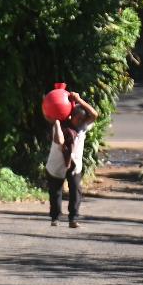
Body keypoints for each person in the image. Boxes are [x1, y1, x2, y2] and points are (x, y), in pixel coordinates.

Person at [46, 92, 99, 228]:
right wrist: (56, 122)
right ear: (71, 116)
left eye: (83, 119)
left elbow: (94, 115)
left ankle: (73, 219)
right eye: (78, 118)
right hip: (56, 166)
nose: (81, 121)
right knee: (55, 193)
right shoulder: (61, 127)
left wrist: (79, 100)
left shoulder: (82, 129)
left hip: (74, 165)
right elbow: (59, 140)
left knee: (76, 192)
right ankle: (55, 218)